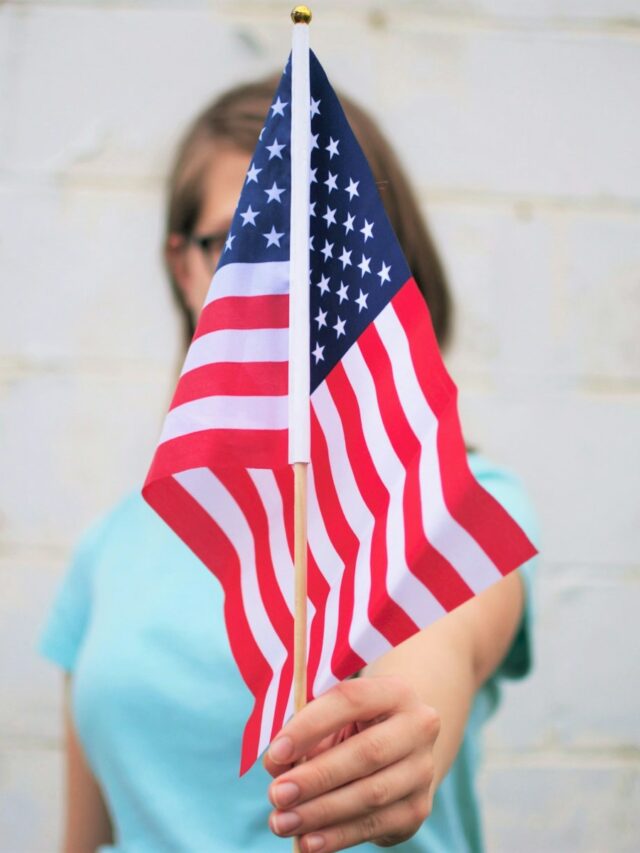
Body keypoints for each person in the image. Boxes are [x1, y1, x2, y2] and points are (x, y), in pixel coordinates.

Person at [40, 72, 538, 853]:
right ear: (185, 267)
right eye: (239, 243)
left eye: (316, 245)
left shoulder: (456, 505)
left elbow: (433, 660)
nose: (282, 283)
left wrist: (404, 742)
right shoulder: (110, 548)